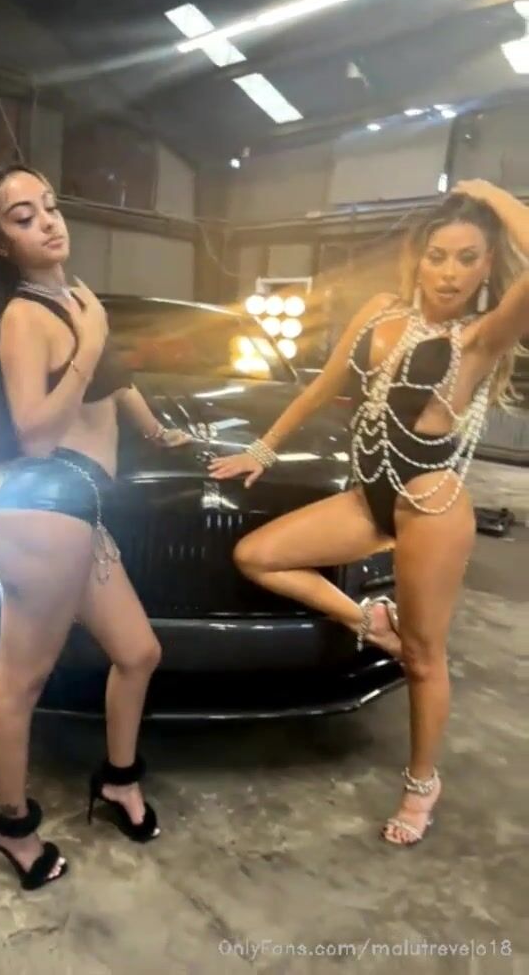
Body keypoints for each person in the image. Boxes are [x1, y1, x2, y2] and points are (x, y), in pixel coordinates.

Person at [209, 180, 529, 846]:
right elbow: (321, 387)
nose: (449, 273)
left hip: (429, 506)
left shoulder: (480, 337)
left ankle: (422, 783)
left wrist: (495, 197)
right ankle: (368, 620)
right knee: (257, 555)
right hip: (367, 497)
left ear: (487, 267)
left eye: (467, 259)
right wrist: (262, 450)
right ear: (418, 258)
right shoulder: (381, 312)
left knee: (424, 657)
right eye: (437, 256)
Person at [0, 163, 189, 890]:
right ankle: (12, 828)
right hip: (44, 504)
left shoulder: (76, 300)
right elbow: (37, 433)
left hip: (81, 507)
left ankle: (118, 781)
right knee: (21, 682)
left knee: (138, 652)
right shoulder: (24, 317)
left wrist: (159, 431)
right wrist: (88, 342)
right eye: (23, 217)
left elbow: (116, 380)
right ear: (1, 244)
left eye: (49, 206)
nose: (47, 221)